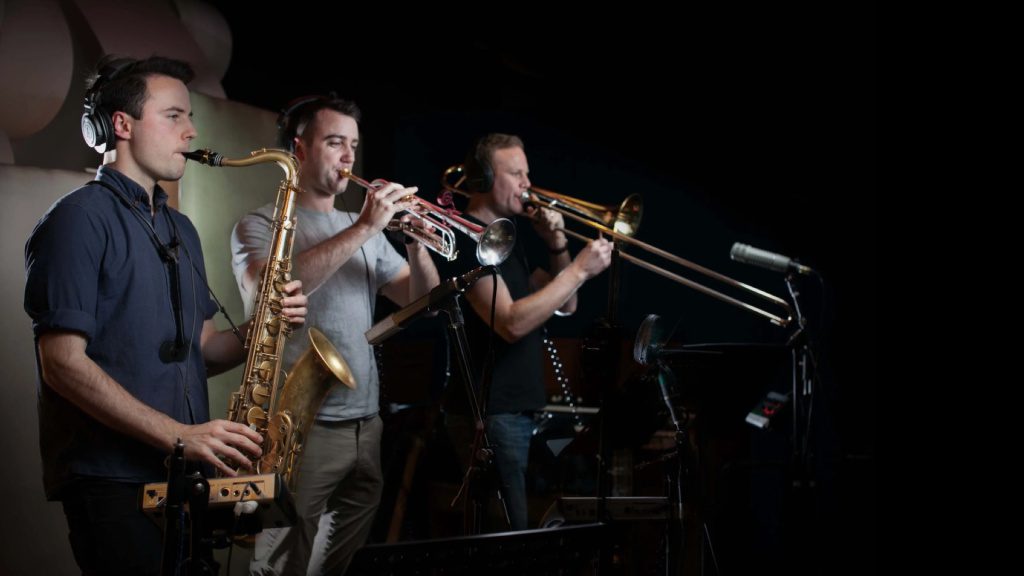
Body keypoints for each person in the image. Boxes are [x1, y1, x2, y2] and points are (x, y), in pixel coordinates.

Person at [23, 55, 308, 576]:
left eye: (190, 116)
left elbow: (201, 350)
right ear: (122, 124)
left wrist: (261, 328)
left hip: (183, 476)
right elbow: (61, 364)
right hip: (111, 480)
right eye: (174, 115)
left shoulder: (181, 229)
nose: (192, 130)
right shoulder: (76, 220)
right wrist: (181, 434)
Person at [232, 96, 440, 575]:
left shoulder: (360, 226)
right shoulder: (261, 224)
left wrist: (415, 243)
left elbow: (417, 301)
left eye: (353, 144)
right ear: (299, 150)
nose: (349, 156)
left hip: (366, 425)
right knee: (281, 563)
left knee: (335, 564)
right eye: (334, 143)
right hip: (301, 431)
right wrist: (368, 225)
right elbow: (271, 287)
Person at [435, 133, 613, 532]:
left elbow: (564, 305)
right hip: (490, 414)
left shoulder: (508, 239)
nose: (527, 185)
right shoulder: (466, 241)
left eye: (527, 173)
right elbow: (511, 323)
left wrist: (557, 246)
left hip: (518, 410)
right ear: (482, 179)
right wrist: (580, 270)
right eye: (515, 174)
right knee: (506, 537)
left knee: (527, 527)